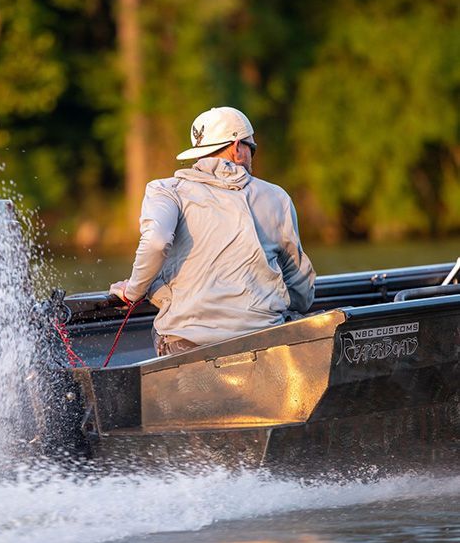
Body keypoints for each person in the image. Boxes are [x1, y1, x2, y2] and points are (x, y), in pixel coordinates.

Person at [110, 106, 315, 356]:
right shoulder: (276, 196)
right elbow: (299, 286)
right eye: (252, 147)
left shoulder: (165, 190)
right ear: (238, 147)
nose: (252, 155)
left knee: (159, 301)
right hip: (264, 337)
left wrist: (132, 292)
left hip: (189, 344)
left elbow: (156, 241)